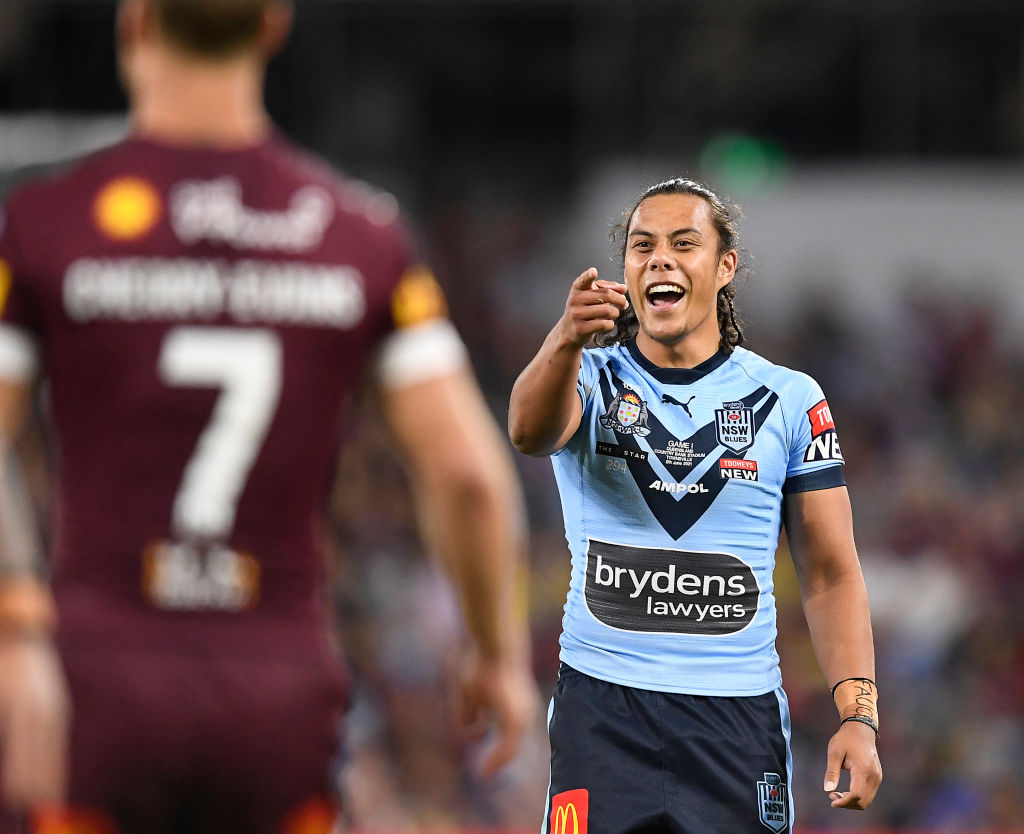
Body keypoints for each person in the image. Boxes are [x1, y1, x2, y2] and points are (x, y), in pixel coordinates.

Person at [0, 1, 536, 832]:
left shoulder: (43, 224)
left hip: (98, 681)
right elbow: (468, 475)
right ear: (275, 25)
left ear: (135, 21)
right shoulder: (362, 236)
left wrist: (15, 628)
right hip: (278, 686)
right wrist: (495, 656)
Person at [508, 178, 881, 833]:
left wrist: (858, 716)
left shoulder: (790, 398)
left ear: (724, 266)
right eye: (642, 246)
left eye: (684, 243)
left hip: (735, 722)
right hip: (603, 710)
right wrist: (565, 339)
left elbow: (829, 571)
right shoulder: (588, 377)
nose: (659, 258)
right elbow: (527, 432)